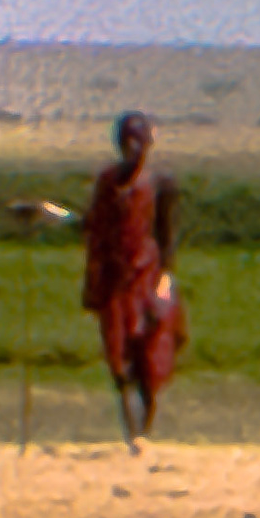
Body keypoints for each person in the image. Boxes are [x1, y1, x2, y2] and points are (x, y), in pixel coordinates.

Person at [82, 111, 186, 450]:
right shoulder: (107, 183)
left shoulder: (160, 184)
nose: (134, 149)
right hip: (115, 279)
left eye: (139, 142)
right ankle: (132, 432)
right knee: (117, 357)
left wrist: (165, 280)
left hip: (148, 276)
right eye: (128, 142)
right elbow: (95, 228)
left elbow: (166, 236)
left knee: (150, 355)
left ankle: (145, 428)